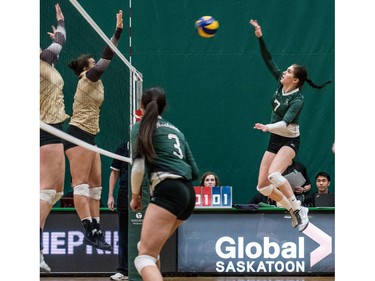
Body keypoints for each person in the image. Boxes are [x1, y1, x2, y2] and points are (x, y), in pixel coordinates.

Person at [249, 19, 332, 232]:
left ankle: (298, 207)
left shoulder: (298, 99)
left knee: (275, 175)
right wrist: (260, 36)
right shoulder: (280, 82)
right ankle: (291, 208)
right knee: (263, 186)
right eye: (285, 71)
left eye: (288, 71)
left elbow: (285, 123)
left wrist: (267, 127)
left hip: (289, 140)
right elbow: (268, 60)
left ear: (295, 80)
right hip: (275, 139)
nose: (283, 72)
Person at [64, 9, 123, 251]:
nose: (95, 65)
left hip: (91, 136)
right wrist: (117, 32)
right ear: (86, 68)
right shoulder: (87, 78)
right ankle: (88, 230)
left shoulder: (92, 80)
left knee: (96, 187)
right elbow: (106, 58)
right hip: (77, 134)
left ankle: (97, 231)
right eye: (92, 63)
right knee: (81, 185)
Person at [129, 87, 199, 281]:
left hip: (168, 190)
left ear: (141, 105)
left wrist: (135, 196)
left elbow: (138, 167)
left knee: (143, 259)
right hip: (187, 192)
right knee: (149, 249)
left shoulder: (140, 127)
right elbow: (195, 171)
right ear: (164, 107)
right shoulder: (176, 131)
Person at [40, 3, 69, 272]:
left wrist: (61, 27)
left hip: (53, 126)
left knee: (56, 191)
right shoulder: (37, 63)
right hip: (45, 127)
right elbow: (58, 44)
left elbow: (57, 46)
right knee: (48, 190)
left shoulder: (46, 65)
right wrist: (61, 24)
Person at [108, 142, 130, 281]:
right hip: (124, 194)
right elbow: (114, 172)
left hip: (145, 195)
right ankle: (123, 270)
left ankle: (148, 270)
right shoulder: (122, 148)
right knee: (123, 233)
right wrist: (110, 195)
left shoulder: (150, 145)